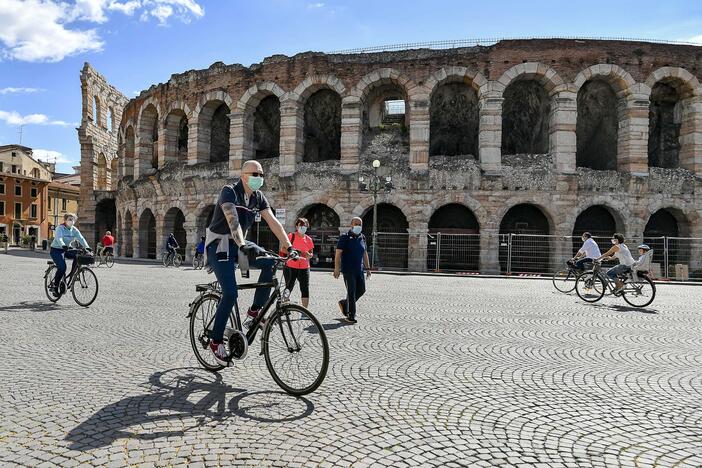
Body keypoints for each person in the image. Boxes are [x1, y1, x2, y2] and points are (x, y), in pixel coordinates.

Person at [205, 160, 297, 363]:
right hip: (220, 245)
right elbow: (233, 221)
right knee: (230, 294)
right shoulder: (229, 191)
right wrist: (241, 244)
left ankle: (255, 310)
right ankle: (215, 340)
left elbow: (273, 221)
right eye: (255, 174)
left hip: (240, 245)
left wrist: (289, 246)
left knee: (270, 262)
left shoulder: (258, 197)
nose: (259, 178)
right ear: (243, 175)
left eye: (262, 174)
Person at [334, 217, 371, 324]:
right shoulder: (344, 237)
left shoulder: (362, 237)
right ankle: (351, 315)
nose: (358, 226)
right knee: (351, 292)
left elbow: (364, 253)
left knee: (361, 290)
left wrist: (368, 269)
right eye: (356, 224)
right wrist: (336, 268)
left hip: (359, 270)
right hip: (348, 269)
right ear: (351, 225)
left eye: (360, 224)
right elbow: (338, 253)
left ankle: (345, 304)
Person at [49, 213, 91, 295]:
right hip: (56, 250)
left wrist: (87, 247)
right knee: (62, 267)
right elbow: (59, 238)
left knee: (77, 255)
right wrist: (63, 245)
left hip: (66, 249)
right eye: (70, 219)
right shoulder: (60, 228)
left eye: (73, 219)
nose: (72, 221)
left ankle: (72, 274)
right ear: (65, 220)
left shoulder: (74, 229)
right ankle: (55, 285)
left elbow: (81, 238)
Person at [282, 217, 315, 308]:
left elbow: (311, 252)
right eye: (301, 225)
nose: (303, 227)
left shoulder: (309, 239)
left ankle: (305, 311)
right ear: (297, 226)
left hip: (304, 267)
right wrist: (299, 252)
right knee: (289, 287)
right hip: (290, 266)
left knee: (305, 288)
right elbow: (283, 249)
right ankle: (284, 307)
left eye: (305, 226)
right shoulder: (291, 236)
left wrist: (309, 255)